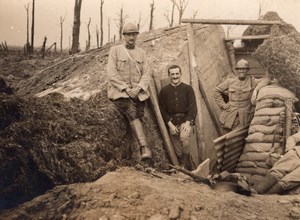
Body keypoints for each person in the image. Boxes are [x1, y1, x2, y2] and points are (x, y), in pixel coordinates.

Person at [107, 22, 152, 163]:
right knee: (131, 112)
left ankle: (136, 156)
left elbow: (147, 74)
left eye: (134, 34)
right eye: (128, 34)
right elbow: (111, 73)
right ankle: (144, 148)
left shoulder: (142, 54)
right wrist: (126, 89)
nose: (131, 37)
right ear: (124, 36)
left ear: (137, 35)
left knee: (139, 115)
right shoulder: (115, 50)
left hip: (138, 93)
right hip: (121, 93)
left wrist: (138, 88)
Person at [158, 65, 197, 170]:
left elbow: (193, 107)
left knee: (184, 138)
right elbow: (162, 109)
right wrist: (170, 124)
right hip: (172, 123)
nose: (175, 76)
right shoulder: (164, 91)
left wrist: (188, 122)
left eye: (177, 74)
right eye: (172, 74)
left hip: (185, 121)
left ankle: (185, 164)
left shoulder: (188, 89)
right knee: (177, 148)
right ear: (169, 75)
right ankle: (183, 166)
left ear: (180, 74)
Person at [214, 59, 271, 130]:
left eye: (244, 69)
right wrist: (223, 105)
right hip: (230, 113)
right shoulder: (230, 81)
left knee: (243, 131)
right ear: (237, 70)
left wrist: (255, 90)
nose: (241, 71)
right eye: (239, 69)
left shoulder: (251, 81)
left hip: (245, 115)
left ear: (247, 70)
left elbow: (266, 80)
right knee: (226, 128)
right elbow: (216, 91)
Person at [253, 129, 300, 194]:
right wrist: (290, 150)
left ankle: (265, 195)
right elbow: (292, 138)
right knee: (279, 170)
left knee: (290, 179)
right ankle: (257, 189)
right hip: (297, 153)